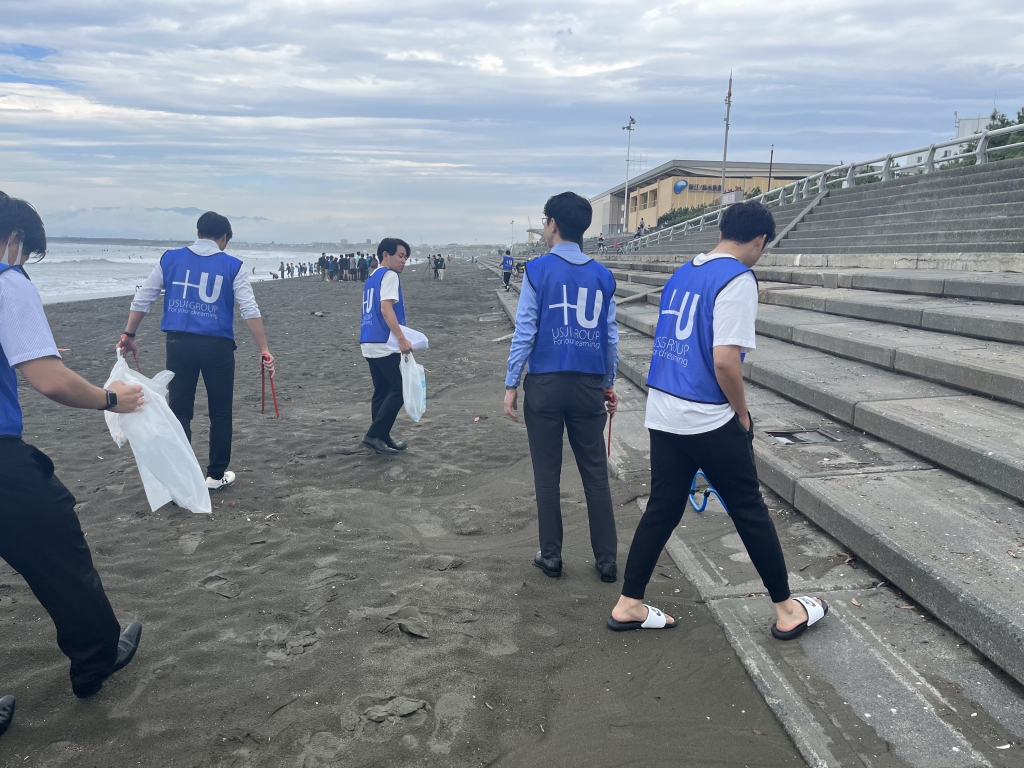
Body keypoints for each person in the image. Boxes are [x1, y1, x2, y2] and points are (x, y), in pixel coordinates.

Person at [607, 201, 828, 636]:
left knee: (663, 507)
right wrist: (742, 415)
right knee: (749, 510)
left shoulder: (685, 271)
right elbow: (725, 360)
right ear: (760, 241)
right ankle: (787, 611)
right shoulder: (739, 278)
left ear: (723, 229)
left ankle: (629, 603)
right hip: (706, 415)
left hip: (664, 409)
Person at [0, 192, 144, 710]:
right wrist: (112, 398)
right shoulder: (7, 281)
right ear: (15, 239)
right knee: (58, 544)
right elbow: (50, 382)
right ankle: (96, 657)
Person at [503, 191, 620, 583]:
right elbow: (610, 338)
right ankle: (606, 560)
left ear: (552, 224)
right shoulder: (603, 276)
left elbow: (525, 332)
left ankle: (551, 556)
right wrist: (608, 383)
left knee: (547, 473)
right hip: (588, 385)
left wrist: (511, 383)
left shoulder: (537, 271)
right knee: (595, 474)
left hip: (546, 385)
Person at [118, 211, 275, 491]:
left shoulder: (171, 259)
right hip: (218, 346)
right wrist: (263, 348)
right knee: (220, 411)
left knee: (180, 410)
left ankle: (181, 476)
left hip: (179, 344)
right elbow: (249, 309)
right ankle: (215, 476)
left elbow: (144, 297)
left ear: (198, 232)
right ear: (224, 237)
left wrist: (129, 334)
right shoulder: (233, 265)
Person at [360, 237, 413, 455]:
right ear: (385, 255)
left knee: (381, 391)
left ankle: (381, 436)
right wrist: (401, 338)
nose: (403, 261)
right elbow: (386, 309)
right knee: (399, 389)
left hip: (368, 341)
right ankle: (374, 435)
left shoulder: (372, 276)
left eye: (406, 258)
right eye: (400, 256)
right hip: (384, 342)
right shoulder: (389, 275)